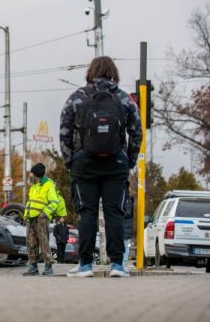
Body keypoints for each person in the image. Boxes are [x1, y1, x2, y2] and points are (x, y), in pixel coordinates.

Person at [60, 56, 142, 278]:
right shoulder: (124, 99)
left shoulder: (76, 98)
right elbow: (137, 131)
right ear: (113, 72)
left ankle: (85, 265)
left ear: (90, 72)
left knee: (86, 213)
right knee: (115, 213)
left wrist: (71, 161)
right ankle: (117, 265)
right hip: (116, 165)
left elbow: (64, 131)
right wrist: (129, 160)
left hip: (84, 165)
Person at [22, 162, 58, 276]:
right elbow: (31, 202)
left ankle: (48, 266)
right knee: (31, 242)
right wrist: (26, 214)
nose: (30, 175)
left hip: (41, 217)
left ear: (36, 174)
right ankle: (33, 266)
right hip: (31, 217)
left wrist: (44, 213)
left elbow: (54, 202)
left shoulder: (49, 185)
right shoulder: (34, 185)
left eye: (32, 173)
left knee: (44, 241)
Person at [123, 185, 135, 269]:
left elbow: (128, 213)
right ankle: (121, 263)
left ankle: (124, 263)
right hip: (122, 226)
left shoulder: (127, 199)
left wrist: (117, 213)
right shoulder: (122, 198)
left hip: (125, 226)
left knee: (125, 245)